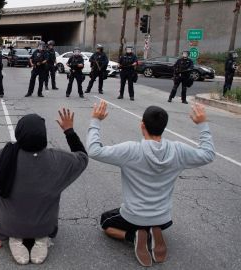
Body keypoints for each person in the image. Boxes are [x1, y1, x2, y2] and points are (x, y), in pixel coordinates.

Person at [86, 100, 215, 267]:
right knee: (154, 221)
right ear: (164, 127)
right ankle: (153, 230)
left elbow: (94, 150)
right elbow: (208, 154)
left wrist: (95, 120)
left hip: (134, 217)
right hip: (163, 218)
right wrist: (203, 124)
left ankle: (134, 236)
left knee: (105, 222)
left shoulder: (131, 150)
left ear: (142, 126)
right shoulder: (179, 150)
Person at [0, 109, 88, 265]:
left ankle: (15, 238)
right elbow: (82, 157)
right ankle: (41, 238)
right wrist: (69, 131)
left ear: (19, 133)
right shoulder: (59, 160)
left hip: (9, 225)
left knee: (14, 221)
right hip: (45, 225)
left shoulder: (2, 158)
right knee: (42, 225)